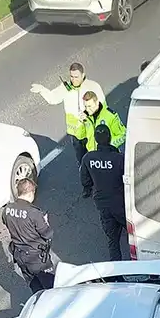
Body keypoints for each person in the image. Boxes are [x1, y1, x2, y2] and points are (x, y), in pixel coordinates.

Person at [30, 62, 108, 195]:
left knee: (95, 160)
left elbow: (103, 107)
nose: (73, 79)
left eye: (76, 76)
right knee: (82, 162)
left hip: (91, 133)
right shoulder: (65, 88)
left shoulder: (93, 87)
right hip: (75, 134)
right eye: (71, 76)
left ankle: (100, 186)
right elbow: (53, 99)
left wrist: (89, 114)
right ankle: (87, 187)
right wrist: (42, 90)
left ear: (83, 75)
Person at [81, 124, 127, 262]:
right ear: (110, 137)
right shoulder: (119, 158)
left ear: (95, 140)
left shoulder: (88, 158)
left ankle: (117, 276)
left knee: (113, 241)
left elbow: (85, 180)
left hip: (103, 205)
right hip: (120, 204)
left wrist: (89, 189)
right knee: (135, 237)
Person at [2, 177, 56, 295]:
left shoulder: (7, 210)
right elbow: (47, 234)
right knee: (52, 290)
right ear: (31, 192)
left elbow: (8, 223)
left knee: (36, 290)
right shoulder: (34, 213)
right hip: (37, 258)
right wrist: (45, 221)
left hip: (20, 256)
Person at [81, 91, 127, 159]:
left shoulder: (110, 116)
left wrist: (108, 146)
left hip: (109, 155)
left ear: (97, 103)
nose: (87, 109)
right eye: (85, 106)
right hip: (92, 156)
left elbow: (123, 135)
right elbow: (81, 136)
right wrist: (80, 123)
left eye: (89, 106)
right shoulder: (86, 117)